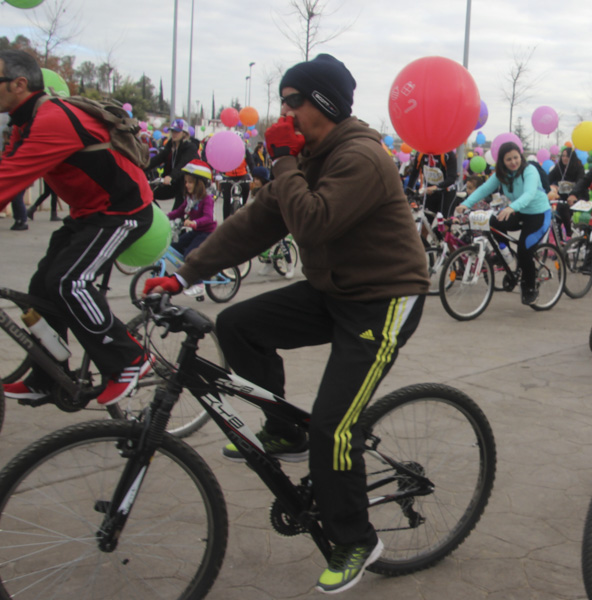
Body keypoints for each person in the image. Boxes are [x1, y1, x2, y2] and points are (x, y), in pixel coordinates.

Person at [143, 54, 427, 594]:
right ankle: (285, 430)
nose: (283, 112)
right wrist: (182, 276)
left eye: (292, 101)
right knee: (239, 324)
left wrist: (280, 163)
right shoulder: (308, 156)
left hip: (384, 300)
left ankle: (356, 538)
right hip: (333, 291)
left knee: (334, 424)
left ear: (321, 104)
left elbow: (314, 223)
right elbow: (252, 225)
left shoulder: (360, 156)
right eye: (283, 101)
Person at [0, 49, 155, 406]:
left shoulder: (54, 119)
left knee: (68, 281)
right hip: (87, 213)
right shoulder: (23, 122)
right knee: (40, 288)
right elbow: (3, 171)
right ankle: (50, 376)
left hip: (122, 211)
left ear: (18, 84)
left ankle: (129, 358)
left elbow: (14, 177)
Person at [456, 141, 552, 304]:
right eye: (509, 159)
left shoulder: (530, 171)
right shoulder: (501, 173)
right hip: (519, 211)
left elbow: (529, 194)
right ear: (502, 161)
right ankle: (505, 255)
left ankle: (530, 287)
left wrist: (511, 208)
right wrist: (467, 203)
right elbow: (485, 189)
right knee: (491, 223)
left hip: (538, 214)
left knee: (524, 250)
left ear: (520, 157)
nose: (513, 162)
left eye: (516, 157)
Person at [166, 160, 217, 258]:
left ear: (199, 184)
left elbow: (208, 217)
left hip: (206, 233)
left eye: (190, 182)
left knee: (189, 255)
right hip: (196, 231)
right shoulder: (190, 198)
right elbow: (180, 211)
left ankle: (197, 265)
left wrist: (194, 223)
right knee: (174, 247)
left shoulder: (207, 199)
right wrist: (165, 217)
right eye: (186, 182)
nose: (186, 185)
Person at [145, 117, 199, 210]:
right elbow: (158, 158)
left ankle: (176, 221)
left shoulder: (190, 148)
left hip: (185, 184)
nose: (174, 134)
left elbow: (183, 164)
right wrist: (141, 166)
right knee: (148, 195)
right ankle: (159, 217)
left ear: (184, 133)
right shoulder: (170, 146)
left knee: (176, 213)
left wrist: (171, 176)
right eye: (173, 131)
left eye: (177, 131)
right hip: (172, 184)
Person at [406, 150, 459, 217]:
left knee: (443, 222)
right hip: (429, 192)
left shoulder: (447, 154)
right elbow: (414, 173)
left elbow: (452, 178)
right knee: (426, 221)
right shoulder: (420, 153)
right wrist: (408, 192)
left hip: (446, 193)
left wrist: (436, 187)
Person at [547, 146, 584, 238]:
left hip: (576, 197)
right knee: (555, 218)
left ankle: (568, 233)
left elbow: (581, 182)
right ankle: (559, 240)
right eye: (562, 156)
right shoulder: (559, 167)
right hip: (561, 198)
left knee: (563, 207)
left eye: (567, 156)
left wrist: (573, 192)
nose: (564, 158)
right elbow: (548, 179)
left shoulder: (578, 167)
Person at [219, 143, 257, 221]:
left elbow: (251, 164)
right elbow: (220, 163)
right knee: (226, 199)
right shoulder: (226, 152)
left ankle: (243, 208)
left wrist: (255, 175)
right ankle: (225, 222)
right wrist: (219, 174)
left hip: (242, 175)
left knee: (246, 187)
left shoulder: (245, 151)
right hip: (228, 175)